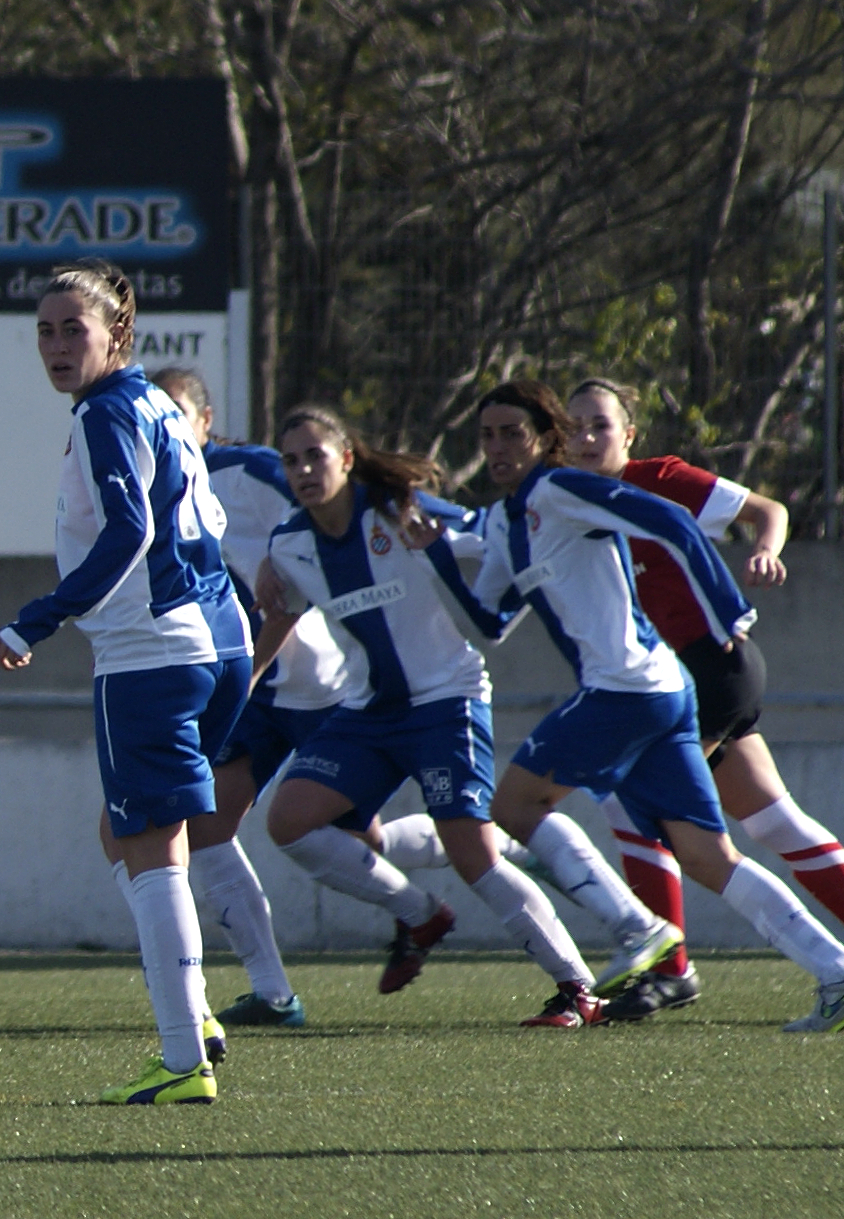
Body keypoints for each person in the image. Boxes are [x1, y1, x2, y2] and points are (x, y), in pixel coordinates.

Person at [422, 379, 844, 1032]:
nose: (497, 446)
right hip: (656, 694)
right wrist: (436, 555)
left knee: (512, 806)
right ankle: (842, 974)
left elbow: (665, 519)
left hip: (629, 689)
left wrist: (730, 605)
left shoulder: (561, 489)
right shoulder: (503, 522)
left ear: (544, 440)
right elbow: (489, 624)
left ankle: (640, 929)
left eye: (513, 433)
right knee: (706, 856)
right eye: (487, 435)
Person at [565, 378, 844, 1024]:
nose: (588, 437)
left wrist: (764, 549)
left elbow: (769, 511)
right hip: (672, 683)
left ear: (630, 435)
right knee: (771, 820)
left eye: (601, 424)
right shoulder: (568, 502)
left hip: (711, 670)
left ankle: (671, 971)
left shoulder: (663, 480)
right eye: (575, 427)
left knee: (635, 798)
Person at [0, 263, 249, 1106]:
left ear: (117, 335)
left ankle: (182, 1056)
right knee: (124, 832)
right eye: (46, 330)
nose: (59, 345)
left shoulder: (105, 414)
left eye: (75, 329)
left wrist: (39, 615)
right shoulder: (159, 407)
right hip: (214, 651)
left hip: (148, 658)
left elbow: (130, 531)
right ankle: (196, 1016)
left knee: (151, 847)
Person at [253, 407, 608, 1026]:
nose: (305, 469)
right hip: (369, 710)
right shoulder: (290, 544)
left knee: (471, 854)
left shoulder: (399, 510)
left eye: (316, 455)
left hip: (446, 701)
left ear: (346, 457)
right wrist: (242, 681)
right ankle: (420, 913)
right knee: (290, 821)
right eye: (291, 460)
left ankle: (579, 989)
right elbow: (282, 610)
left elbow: (494, 531)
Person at [151, 365, 347, 1032]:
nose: (166, 429)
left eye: (179, 414)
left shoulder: (250, 469)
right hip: (249, 687)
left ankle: (489, 858)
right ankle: (272, 991)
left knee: (363, 835)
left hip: (322, 676)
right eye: (157, 415)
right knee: (204, 823)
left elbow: (321, 508)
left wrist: (279, 554)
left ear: (206, 422)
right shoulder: (147, 490)